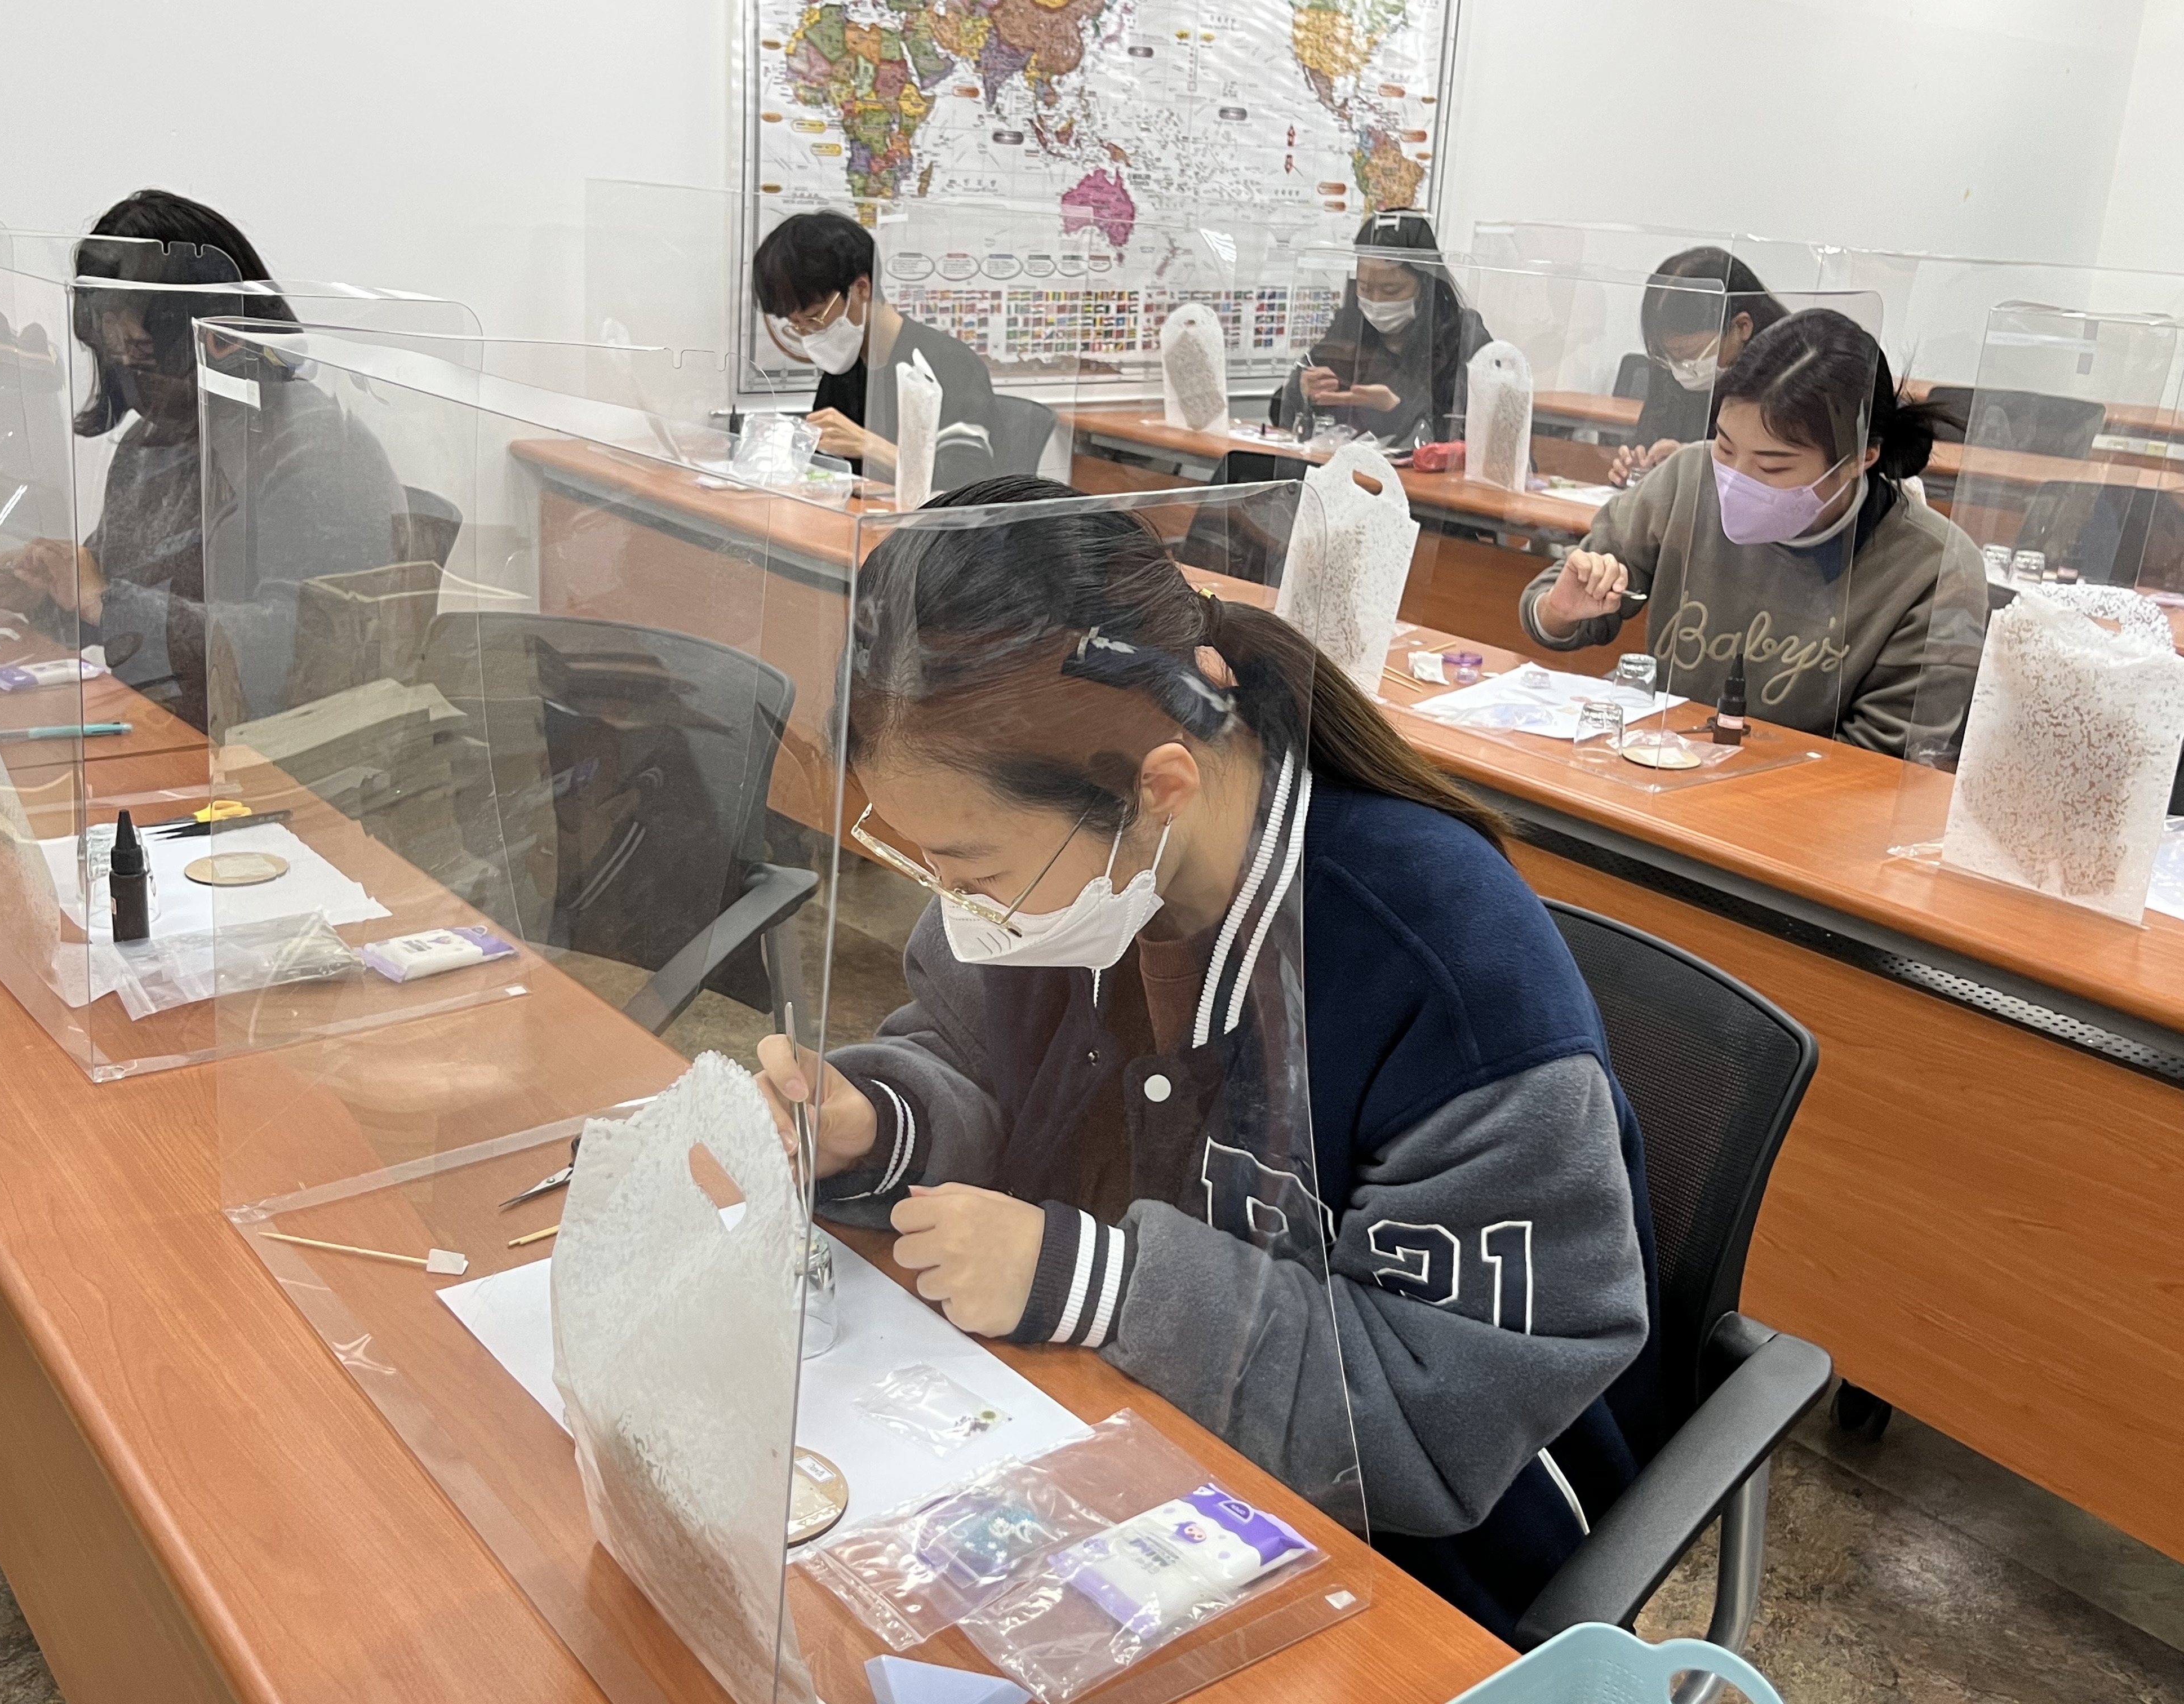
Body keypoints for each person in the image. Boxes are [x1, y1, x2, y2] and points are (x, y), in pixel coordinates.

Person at [757, 476, 1659, 1639]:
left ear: (1159, 790)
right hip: (1122, 1446)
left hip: (1408, 1569)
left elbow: (1440, 1417)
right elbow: (973, 1056)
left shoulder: (1447, 979)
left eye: (969, 867)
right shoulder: (1068, 863)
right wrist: (882, 1121)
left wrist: (1099, 1282)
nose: (954, 903)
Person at [0, 190, 402, 732]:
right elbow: (117, 601)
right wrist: (50, 595)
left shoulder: (317, 451)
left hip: (267, 748)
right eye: (113, 355)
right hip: (165, 724)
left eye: (140, 355)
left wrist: (104, 599)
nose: (132, 383)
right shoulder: (154, 445)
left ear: (214, 339)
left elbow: (299, 646)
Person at [1523, 309, 1982, 756]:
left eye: (1772, 466)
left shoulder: (1935, 571)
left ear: (1860, 459)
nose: (1734, 480)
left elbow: (1879, 763)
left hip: (1793, 798)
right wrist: (1559, 611)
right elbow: (1556, 606)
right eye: (1725, 446)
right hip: (1662, 761)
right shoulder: (1688, 479)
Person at [752, 211, 998, 490]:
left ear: (861, 289)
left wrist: (869, 445)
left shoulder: (950, 364)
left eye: (814, 318)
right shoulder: (845, 367)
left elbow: (968, 481)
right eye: (796, 325)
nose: (808, 334)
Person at [1272, 210, 1490, 451]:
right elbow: (1282, 409)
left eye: (1391, 290)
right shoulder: (1350, 326)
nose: (1375, 302)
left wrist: (1396, 408)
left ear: (1426, 285)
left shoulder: (1461, 336)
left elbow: (1474, 434)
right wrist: (1304, 391)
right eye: (1365, 288)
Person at [1610, 247, 1788, 484]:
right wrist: (1637, 468)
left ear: (1741, 327)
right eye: (1668, 358)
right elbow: (1650, 439)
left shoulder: (1790, 375)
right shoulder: (1669, 365)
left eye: (1691, 356)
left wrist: (1697, 461)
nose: (1679, 369)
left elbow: (1775, 476)